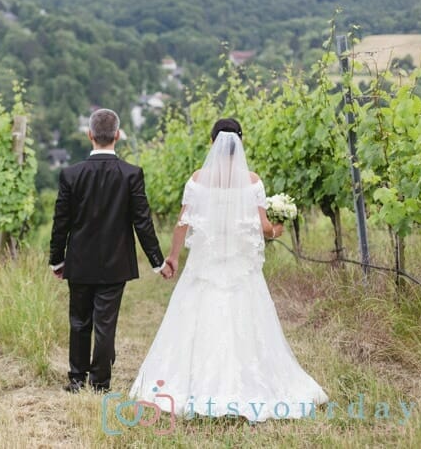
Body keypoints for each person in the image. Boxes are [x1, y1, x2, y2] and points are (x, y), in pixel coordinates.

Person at [129, 118, 328, 421]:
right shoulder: (252, 181)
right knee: (247, 322)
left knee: (196, 320)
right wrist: (277, 230)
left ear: (212, 144)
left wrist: (173, 258)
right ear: (240, 143)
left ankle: (190, 386)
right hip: (240, 268)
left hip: (205, 266)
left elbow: (182, 223)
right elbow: (263, 227)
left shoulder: (198, 179)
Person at [49, 108, 168, 393]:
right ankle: (100, 383)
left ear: (90, 135)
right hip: (116, 263)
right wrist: (157, 261)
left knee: (79, 321)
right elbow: (142, 222)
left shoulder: (70, 174)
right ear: (117, 135)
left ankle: (76, 380)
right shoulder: (131, 174)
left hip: (79, 261)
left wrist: (56, 260)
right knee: (105, 323)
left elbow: (60, 223)